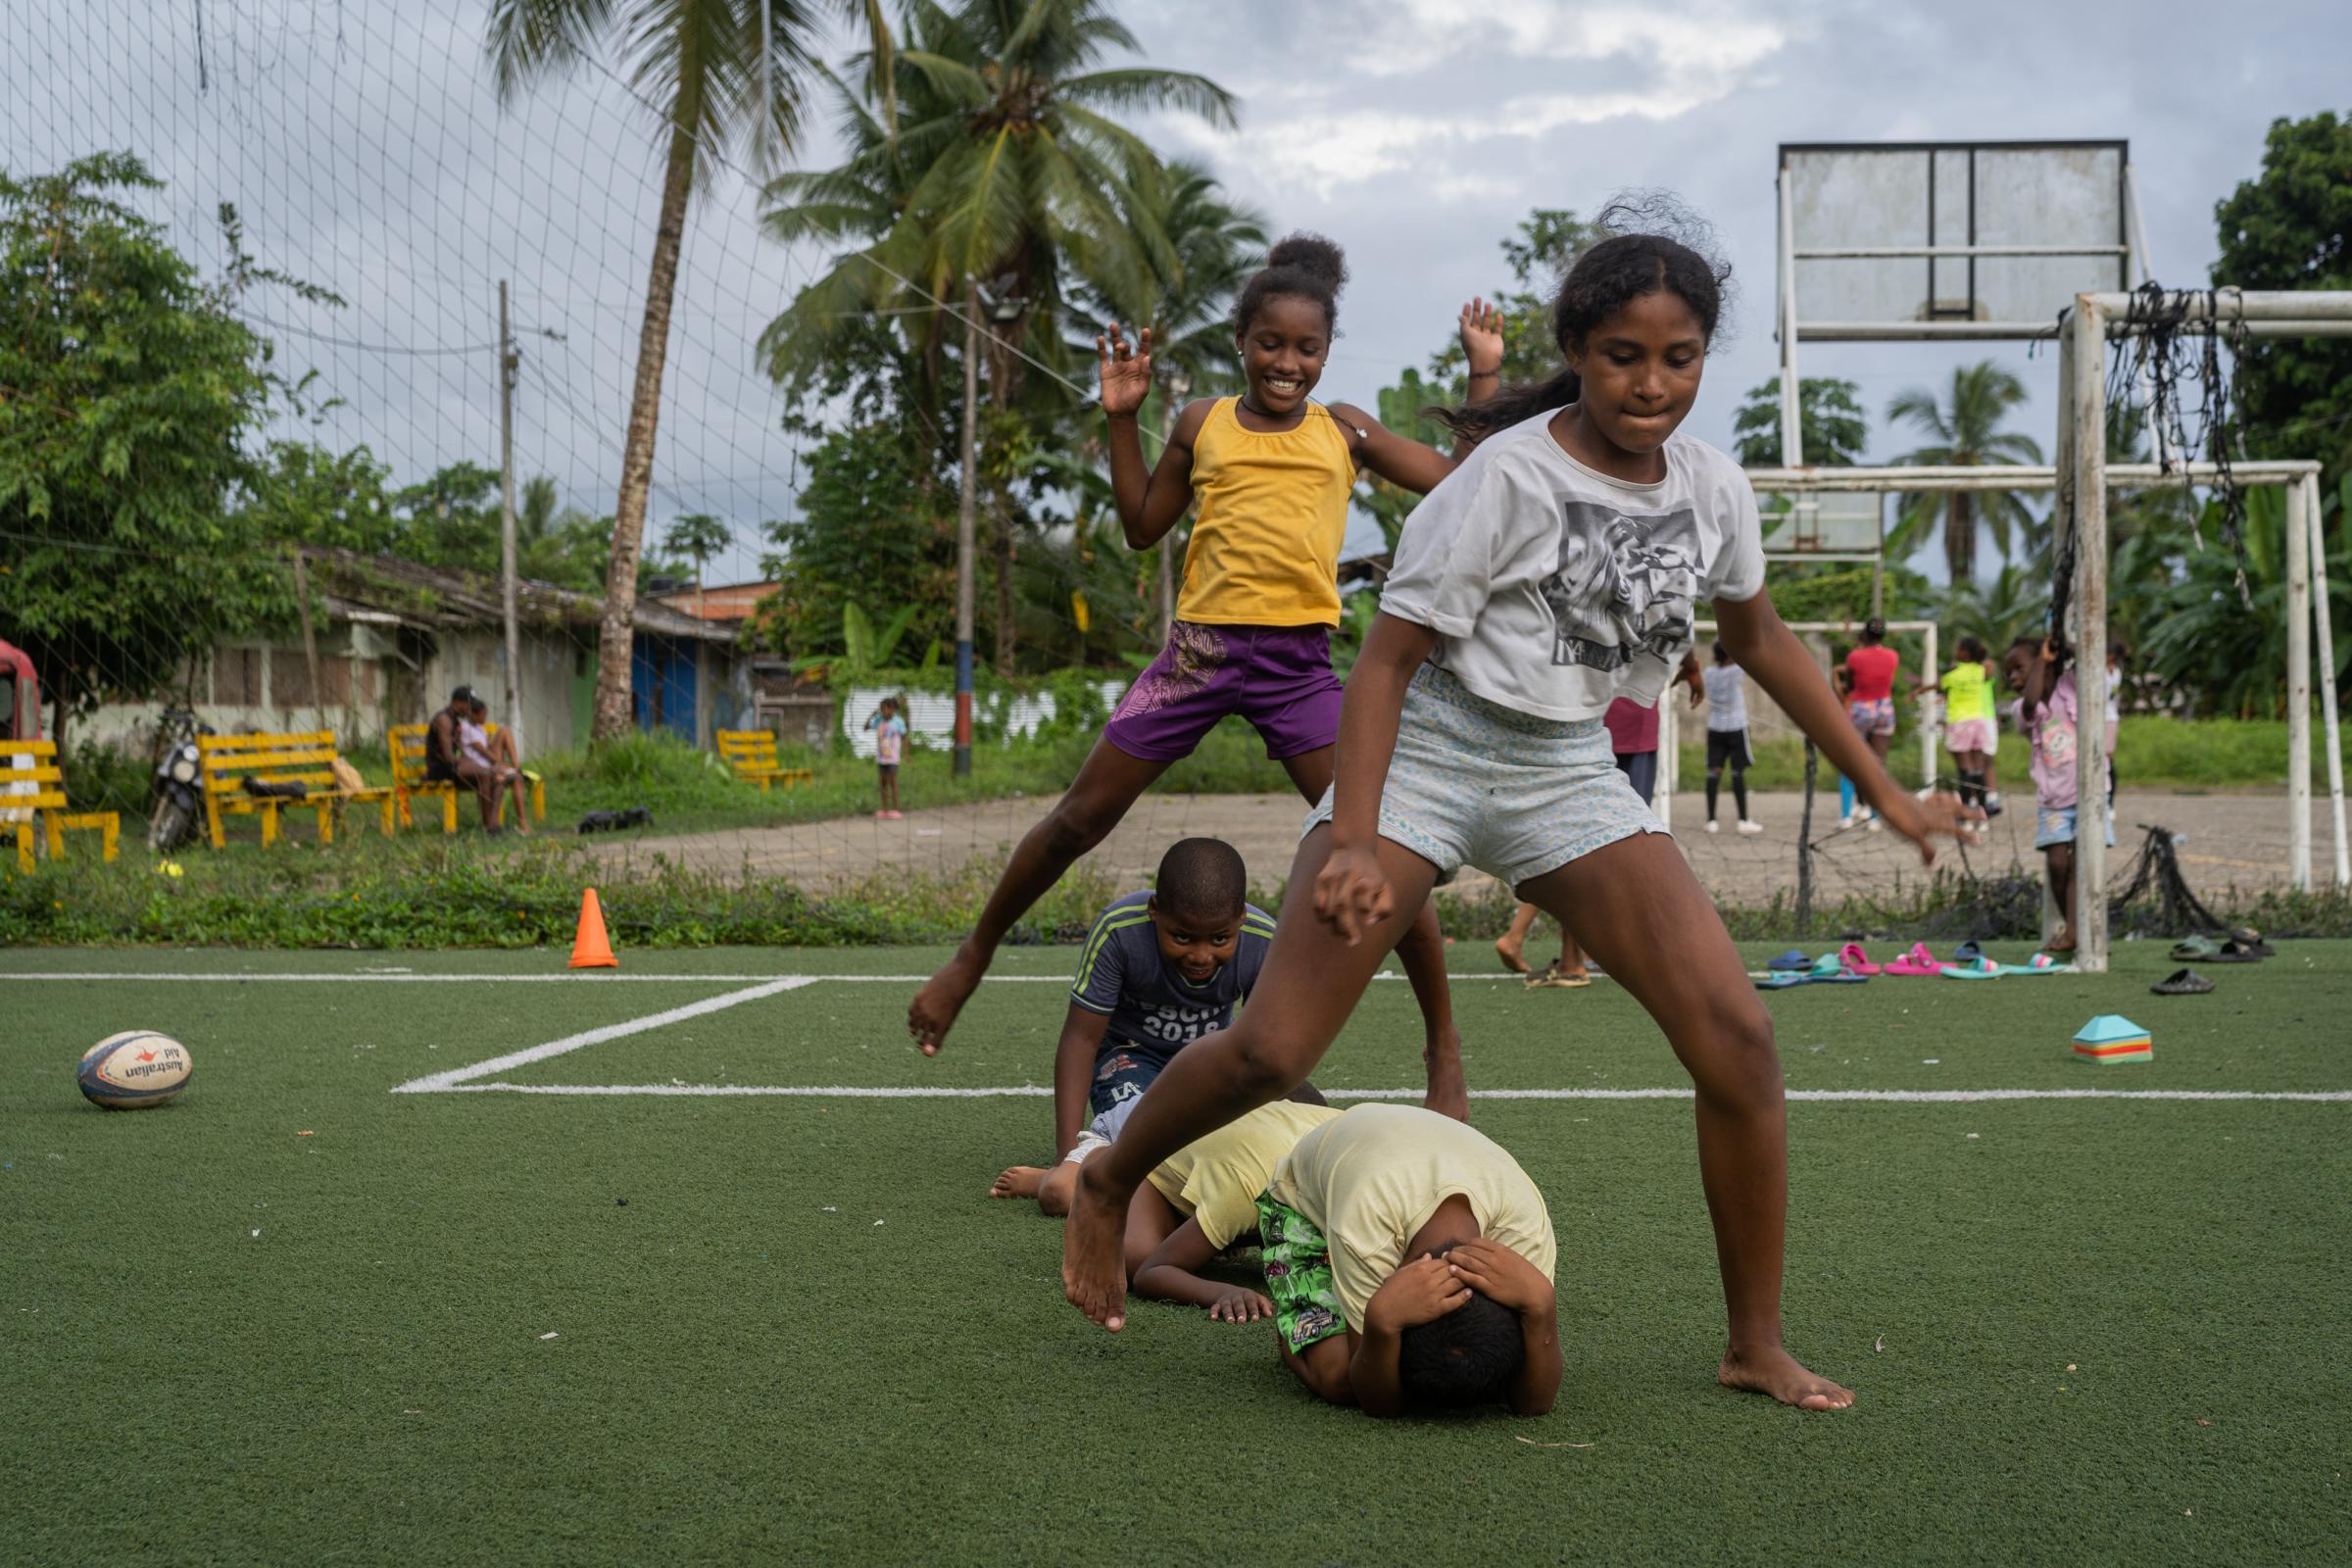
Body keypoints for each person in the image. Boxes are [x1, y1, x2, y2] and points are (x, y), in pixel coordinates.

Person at [1060, 208, 1975, 1414]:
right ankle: (1108, 1179)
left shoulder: (1711, 488)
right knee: (1277, 1051)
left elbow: (1760, 640)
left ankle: (1755, 1340)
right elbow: (1382, 664)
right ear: (1580, 353)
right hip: (1433, 748)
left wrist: (1892, 788)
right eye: (1623, 356)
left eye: (1679, 356)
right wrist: (1355, 836)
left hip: (1564, 770)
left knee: (1741, 1042)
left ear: (1704, 358)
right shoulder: (1503, 477)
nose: (1651, 385)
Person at [908, 235, 1497, 1117]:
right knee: (1077, 819)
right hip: (1198, 658)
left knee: (1379, 849)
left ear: (1327, 353)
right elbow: (1145, 525)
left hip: (1297, 670)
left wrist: (1482, 377)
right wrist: (1120, 418)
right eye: (1270, 344)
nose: (1286, 363)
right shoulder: (1201, 424)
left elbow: (1461, 481)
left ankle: (1443, 1048)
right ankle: (970, 960)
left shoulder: (1345, 430)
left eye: (1305, 348)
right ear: (1241, 342)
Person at [985, 837, 1278, 1218]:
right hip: (1129, 1055)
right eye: (1183, 937)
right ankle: (1065, 1173)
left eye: (1220, 939)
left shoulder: (1265, 940)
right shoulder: (1119, 930)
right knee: (1149, 1142)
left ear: (1241, 918)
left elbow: (1267, 1048)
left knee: (1233, 1142)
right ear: (1155, 911)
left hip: (1209, 1061)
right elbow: (1081, 1038)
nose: (1201, 956)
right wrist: (1065, 1157)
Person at [1247, 1103, 1560, 1416]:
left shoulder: (1524, 1234)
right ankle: (1293, 1330)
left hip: (1401, 1154)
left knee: (1481, 1370)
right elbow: (1373, 1398)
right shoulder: (1364, 1224)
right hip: (1302, 1201)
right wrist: (1381, 1320)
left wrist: (1542, 1306)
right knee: (1341, 1380)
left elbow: (1534, 1403)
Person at [999, 1099, 1343, 1324]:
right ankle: (1089, 1167)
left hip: (1228, 1149)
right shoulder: (1247, 1191)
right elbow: (1153, 1272)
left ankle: (1202, 1225)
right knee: (1134, 1256)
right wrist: (1221, 1290)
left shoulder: (1364, 1151)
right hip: (1158, 1165)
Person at [1493, 663, 1699, 987]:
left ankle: (1527, 938)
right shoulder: (1644, 616)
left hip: (1588, 727)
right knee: (1604, 845)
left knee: (1580, 842)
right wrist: (1691, 668)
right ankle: (1574, 959)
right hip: (1625, 730)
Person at [2005, 637, 2110, 955]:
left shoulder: (2072, 688)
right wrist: (2040, 664)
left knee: (2083, 863)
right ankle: (2074, 927)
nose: (2012, 677)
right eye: (2010, 672)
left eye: (2018, 668)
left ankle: (2079, 931)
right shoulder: (2022, 709)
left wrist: (2060, 647)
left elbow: (2093, 660)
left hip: (2089, 794)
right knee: (2058, 864)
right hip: (2053, 802)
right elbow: (2031, 703)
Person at [1914, 635, 1999, 819]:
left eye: (1958, 648)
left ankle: (1967, 806)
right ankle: (1984, 806)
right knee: (1978, 766)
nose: (1955, 651)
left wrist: (1918, 690)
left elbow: (1937, 685)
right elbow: (1989, 668)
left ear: (1965, 653)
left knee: (1964, 768)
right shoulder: (1980, 671)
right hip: (1978, 722)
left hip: (1960, 722)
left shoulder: (1953, 675)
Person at [423, 685, 513, 833]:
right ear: (458, 703)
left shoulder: (457, 722)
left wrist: (481, 764)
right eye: (468, 705)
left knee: (496, 778)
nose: (470, 709)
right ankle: (488, 826)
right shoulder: (444, 720)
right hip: (440, 769)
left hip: (453, 767)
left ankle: (495, 825)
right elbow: (448, 757)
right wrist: (473, 765)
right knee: (484, 774)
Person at [1839, 618, 1900, 831]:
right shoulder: (1893, 656)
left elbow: (1850, 684)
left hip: (1860, 709)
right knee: (1878, 764)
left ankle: (1846, 816)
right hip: (1884, 708)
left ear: (1865, 634)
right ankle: (1875, 818)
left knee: (1849, 762)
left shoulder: (1855, 657)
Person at [1702, 641, 1762, 835]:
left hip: (1715, 727)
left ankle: (1711, 820)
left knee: (1714, 773)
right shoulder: (1736, 671)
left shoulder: (1709, 674)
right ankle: (1743, 819)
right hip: (1736, 726)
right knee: (1737, 773)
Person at [463, 696, 533, 833]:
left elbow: (489, 748)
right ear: (473, 714)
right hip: (482, 769)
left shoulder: (479, 728)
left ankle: (523, 823)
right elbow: (488, 755)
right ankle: (513, 769)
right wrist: (501, 766)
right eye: (483, 714)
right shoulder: (467, 730)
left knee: (517, 778)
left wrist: (504, 766)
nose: (485, 717)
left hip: (491, 765)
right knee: (504, 733)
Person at [866, 696, 907, 820]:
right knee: (883, 782)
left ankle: (895, 809)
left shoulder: (898, 721)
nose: (883, 712)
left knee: (893, 782)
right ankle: (884, 809)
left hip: (893, 757)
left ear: (892, 710)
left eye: (885, 709)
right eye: (881, 709)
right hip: (881, 757)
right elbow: (866, 727)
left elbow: (905, 737)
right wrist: (871, 715)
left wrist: (906, 754)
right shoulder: (879, 720)